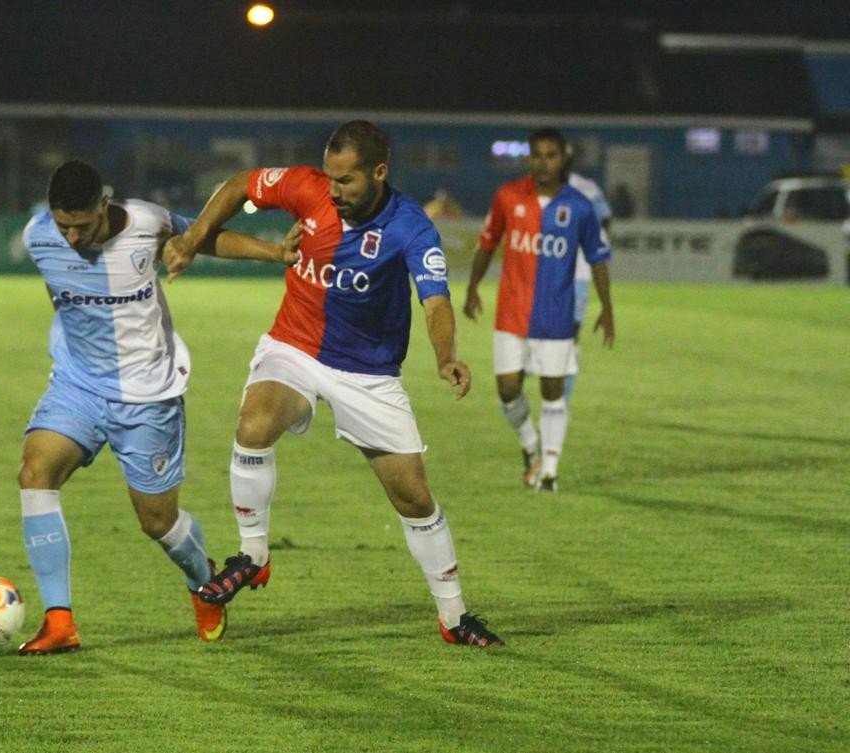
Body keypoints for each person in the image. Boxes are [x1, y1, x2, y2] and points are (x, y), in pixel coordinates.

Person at [166, 120, 503, 648]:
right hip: (294, 347)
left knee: (414, 498)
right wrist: (190, 239)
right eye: (329, 178)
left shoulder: (410, 226)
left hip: (367, 373)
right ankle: (253, 557)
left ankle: (454, 617)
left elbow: (435, 300)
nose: (334, 190)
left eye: (346, 181)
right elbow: (239, 185)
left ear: (379, 172)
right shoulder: (308, 187)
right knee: (254, 425)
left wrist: (446, 357)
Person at [17, 159, 298, 654]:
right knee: (35, 475)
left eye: (82, 226)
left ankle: (202, 582)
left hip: (148, 396)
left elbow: (204, 237)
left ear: (105, 204)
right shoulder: (39, 237)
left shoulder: (148, 222)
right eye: (64, 226)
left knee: (156, 521)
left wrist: (273, 252)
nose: (73, 237)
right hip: (77, 386)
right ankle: (59, 620)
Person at [463, 128, 614, 492]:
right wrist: (472, 287)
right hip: (511, 311)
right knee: (507, 389)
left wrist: (607, 309)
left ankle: (549, 469)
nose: (543, 162)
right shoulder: (508, 196)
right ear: (528, 158)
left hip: (557, 314)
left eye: (551, 155)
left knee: (552, 390)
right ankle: (530, 445)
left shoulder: (579, 205)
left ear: (563, 158)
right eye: (537, 155)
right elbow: (487, 243)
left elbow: (598, 259)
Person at [565, 166, 613, 402]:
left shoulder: (586, 188)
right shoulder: (535, 187)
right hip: (546, 273)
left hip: (577, 274)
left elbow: (605, 220)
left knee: (571, 334)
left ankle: (561, 402)